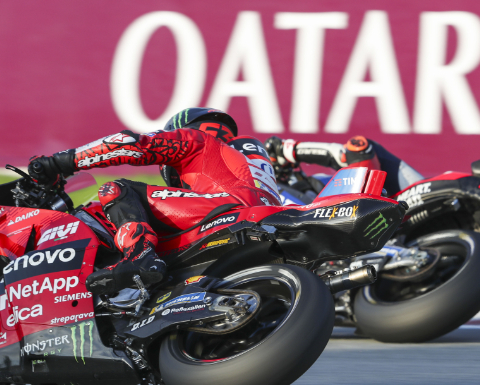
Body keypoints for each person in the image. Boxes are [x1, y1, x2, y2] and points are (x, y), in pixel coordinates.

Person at [28, 108, 281, 296]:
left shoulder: (198, 141)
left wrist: (59, 162)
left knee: (116, 189)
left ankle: (139, 256)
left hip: (223, 208)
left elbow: (131, 144)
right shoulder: (250, 164)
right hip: (261, 223)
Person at [264, 135, 424, 196]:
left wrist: (287, 150)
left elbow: (360, 149)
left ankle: (287, 149)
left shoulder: (317, 182)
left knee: (360, 148)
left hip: (410, 195)